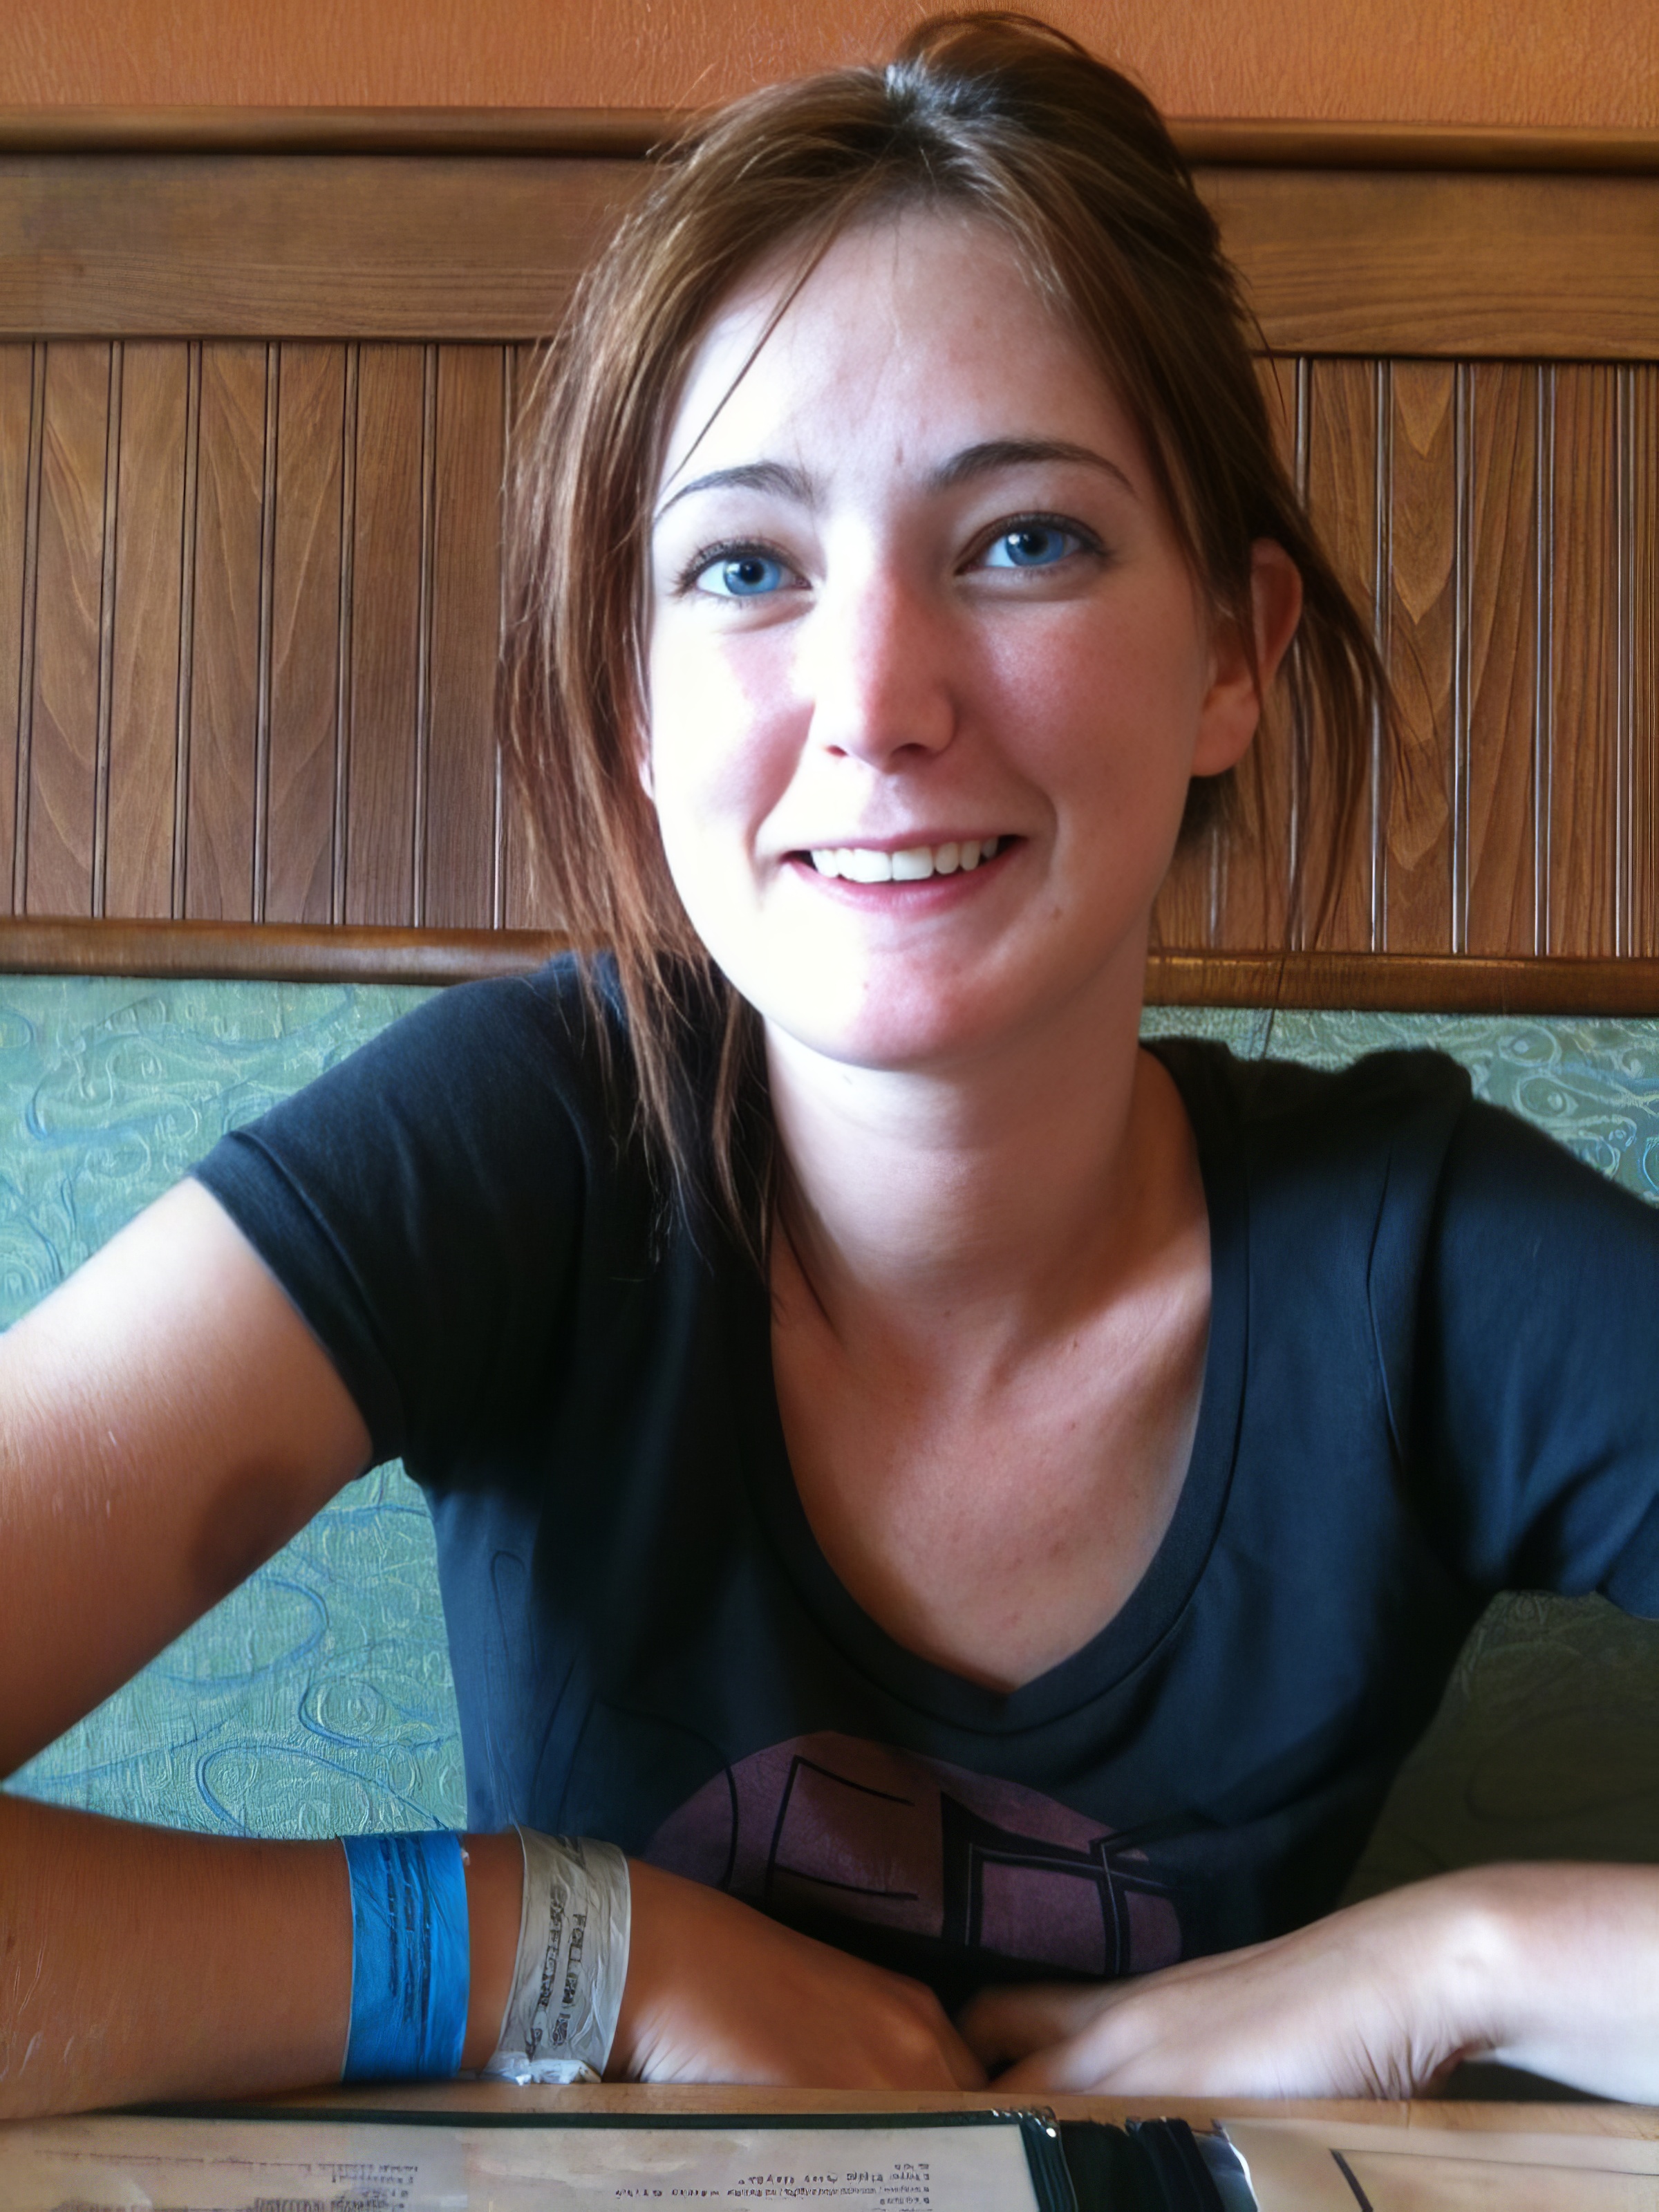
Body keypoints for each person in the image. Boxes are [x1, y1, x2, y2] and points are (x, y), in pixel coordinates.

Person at [3, 12, 1658, 2119]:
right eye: (747, 567)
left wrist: (1458, 1960)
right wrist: (556, 1941)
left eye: (1025, 540)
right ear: (637, 699)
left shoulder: (1421, 1261)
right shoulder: (525, 1147)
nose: (873, 700)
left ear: (1234, 654)